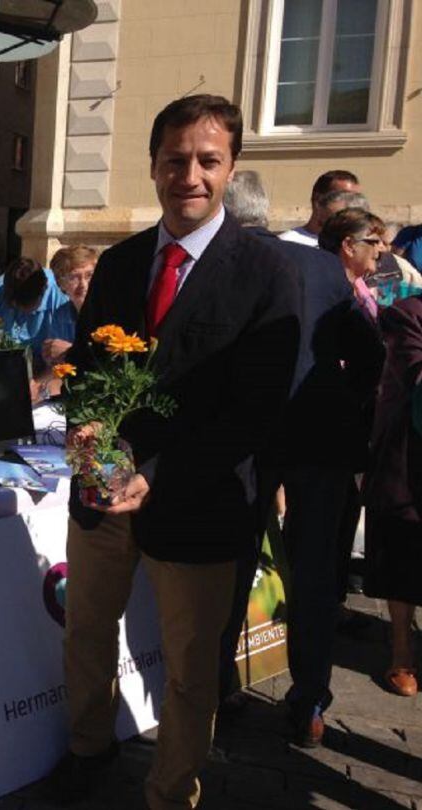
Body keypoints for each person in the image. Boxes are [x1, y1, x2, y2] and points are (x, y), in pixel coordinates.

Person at [57, 95, 299, 810]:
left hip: (198, 504)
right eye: (174, 160)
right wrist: (84, 423)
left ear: (231, 167)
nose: (188, 174)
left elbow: (255, 412)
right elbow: (91, 370)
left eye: (206, 160)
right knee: (87, 635)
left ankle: (170, 793)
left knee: (192, 672)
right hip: (103, 497)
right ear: (153, 165)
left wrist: (152, 474)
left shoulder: (265, 271)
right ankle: (87, 747)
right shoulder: (124, 263)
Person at [217, 171, 384, 745]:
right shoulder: (321, 265)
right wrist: (339, 396)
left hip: (251, 437)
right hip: (323, 432)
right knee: (315, 573)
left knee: (233, 560)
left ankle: (218, 688)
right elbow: (370, 351)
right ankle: (309, 700)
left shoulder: (228, 260)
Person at [364, 294, 422, 698]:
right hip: (410, 461)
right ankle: (401, 649)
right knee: (404, 557)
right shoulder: (408, 314)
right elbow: (414, 373)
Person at [0, 256, 76, 373]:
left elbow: (66, 354)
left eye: (24, 307)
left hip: (47, 373)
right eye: (13, 306)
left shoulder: (61, 297)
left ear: (43, 291)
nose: (18, 310)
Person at [319, 208, 387, 322]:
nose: (382, 249)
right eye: (375, 242)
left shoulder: (360, 287)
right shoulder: (326, 292)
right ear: (349, 246)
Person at [279, 170, 360, 247]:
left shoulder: (358, 246)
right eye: (344, 198)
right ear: (318, 201)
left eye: (357, 199)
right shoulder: (287, 243)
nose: (352, 206)